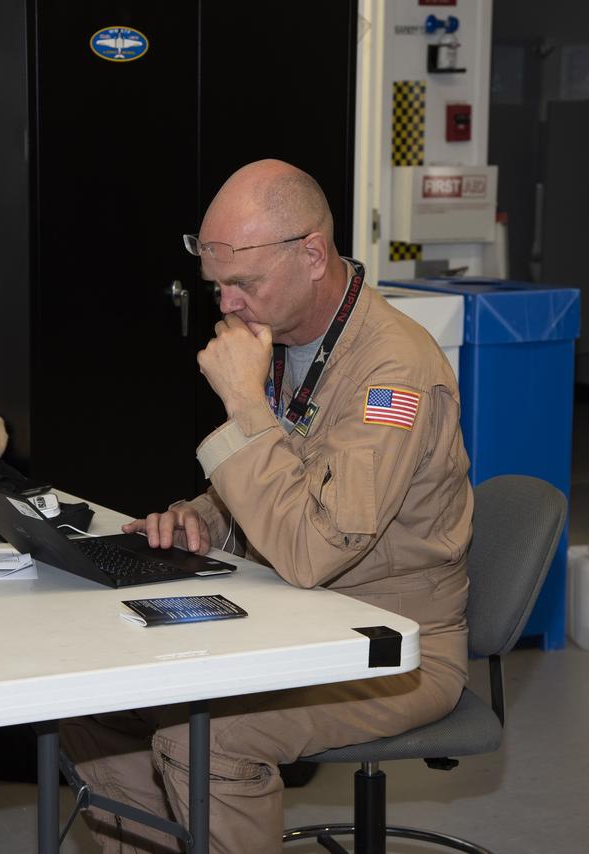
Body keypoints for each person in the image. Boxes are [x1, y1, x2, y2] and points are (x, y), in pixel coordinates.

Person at [61, 159, 473, 853]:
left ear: (313, 254)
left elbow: (316, 548)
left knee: (205, 745)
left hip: (393, 644)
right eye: (217, 284)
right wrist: (202, 515)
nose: (227, 305)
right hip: (288, 614)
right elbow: (282, 478)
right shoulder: (287, 339)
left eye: (243, 284)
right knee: (91, 704)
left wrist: (245, 403)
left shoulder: (394, 371)